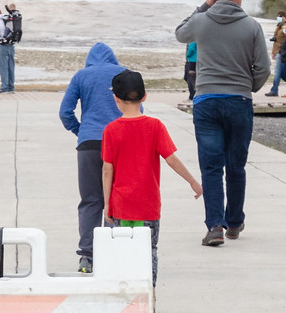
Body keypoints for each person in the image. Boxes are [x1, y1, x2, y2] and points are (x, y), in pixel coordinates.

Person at [175, 0, 270, 246]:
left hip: (206, 102)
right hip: (239, 102)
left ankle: (215, 226)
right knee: (236, 165)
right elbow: (263, 67)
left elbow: (180, 33)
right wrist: (247, 86)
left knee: (211, 166)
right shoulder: (252, 26)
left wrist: (204, 6)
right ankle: (235, 222)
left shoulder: (201, 21)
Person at [100, 68, 203, 285]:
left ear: (115, 99)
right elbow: (171, 159)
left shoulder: (111, 130)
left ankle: (126, 294)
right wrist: (193, 181)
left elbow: (107, 169)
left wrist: (107, 203)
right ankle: (149, 295)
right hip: (148, 205)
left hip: (120, 205)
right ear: (144, 96)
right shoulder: (155, 126)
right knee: (149, 251)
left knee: (122, 251)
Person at [59, 42, 124, 273]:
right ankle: (112, 250)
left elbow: (65, 111)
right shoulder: (123, 73)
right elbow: (137, 111)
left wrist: (81, 130)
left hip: (88, 145)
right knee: (115, 199)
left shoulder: (81, 76)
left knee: (90, 200)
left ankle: (87, 255)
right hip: (119, 144)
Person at [0, 5, 18, 93]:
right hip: (11, 46)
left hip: (2, 46)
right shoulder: (11, 20)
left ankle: (4, 88)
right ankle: (11, 88)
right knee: (11, 67)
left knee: (3, 67)